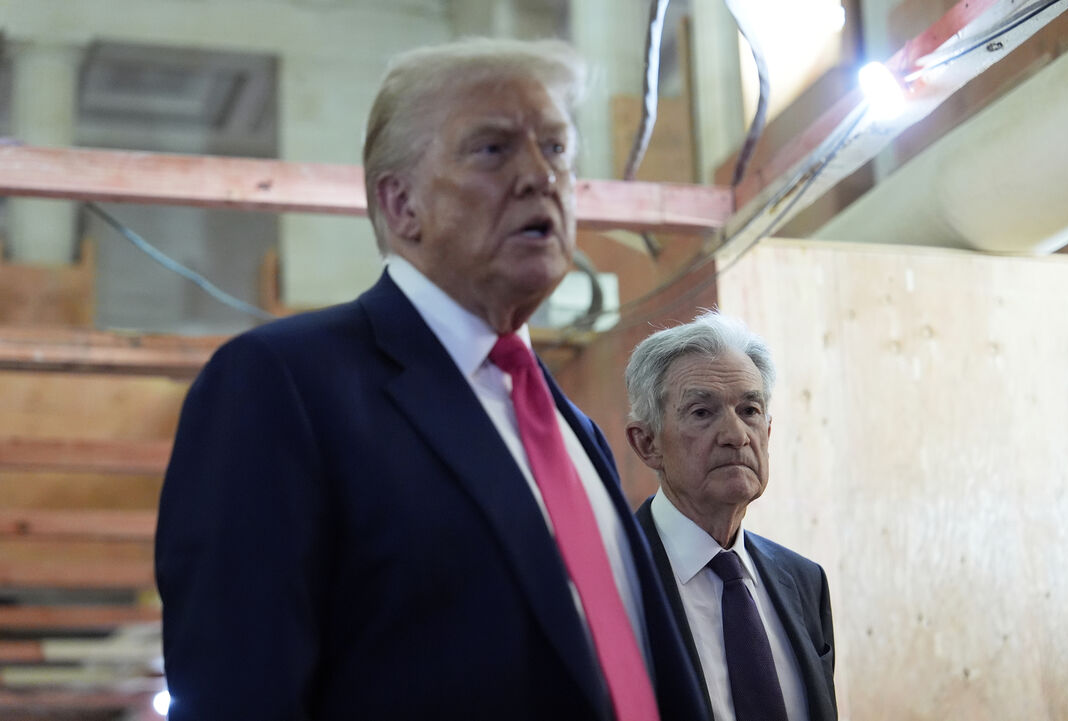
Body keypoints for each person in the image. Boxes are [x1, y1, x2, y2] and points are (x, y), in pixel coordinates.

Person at [155, 38, 708, 721]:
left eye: (556, 148)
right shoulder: (280, 388)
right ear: (401, 204)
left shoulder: (578, 432)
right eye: (492, 149)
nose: (540, 176)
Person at [624, 310, 837, 721]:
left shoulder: (804, 580)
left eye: (750, 410)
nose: (736, 436)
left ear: (768, 433)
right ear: (647, 443)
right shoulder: (609, 577)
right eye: (702, 413)